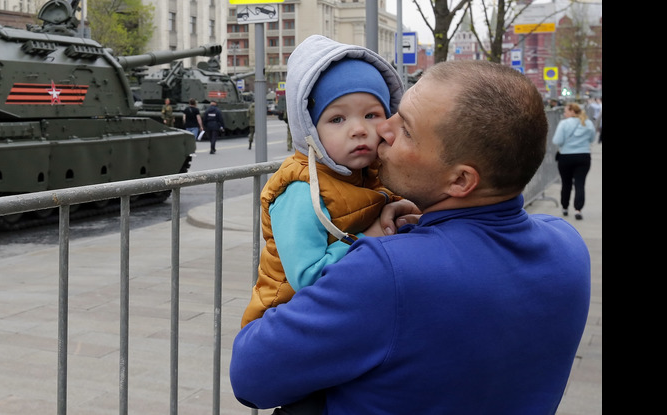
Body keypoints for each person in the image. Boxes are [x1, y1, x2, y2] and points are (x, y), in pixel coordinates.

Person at [230, 60, 591, 415]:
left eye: (406, 129)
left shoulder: (387, 272)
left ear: (461, 181)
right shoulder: (568, 246)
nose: (382, 129)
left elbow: (250, 376)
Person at [240, 36, 411, 415]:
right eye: (337, 118)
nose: (359, 129)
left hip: (342, 320)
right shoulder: (300, 191)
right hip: (292, 325)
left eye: (373, 114)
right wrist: (372, 237)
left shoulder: (371, 173)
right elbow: (309, 279)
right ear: (309, 128)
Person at [552, 102, 596, 220]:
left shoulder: (564, 124)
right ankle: (578, 209)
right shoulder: (588, 123)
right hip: (583, 156)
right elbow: (592, 138)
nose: (564, 113)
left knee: (566, 183)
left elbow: (557, 140)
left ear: (572, 111)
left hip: (566, 157)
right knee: (580, 183)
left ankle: (565, 207)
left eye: (566, 111)